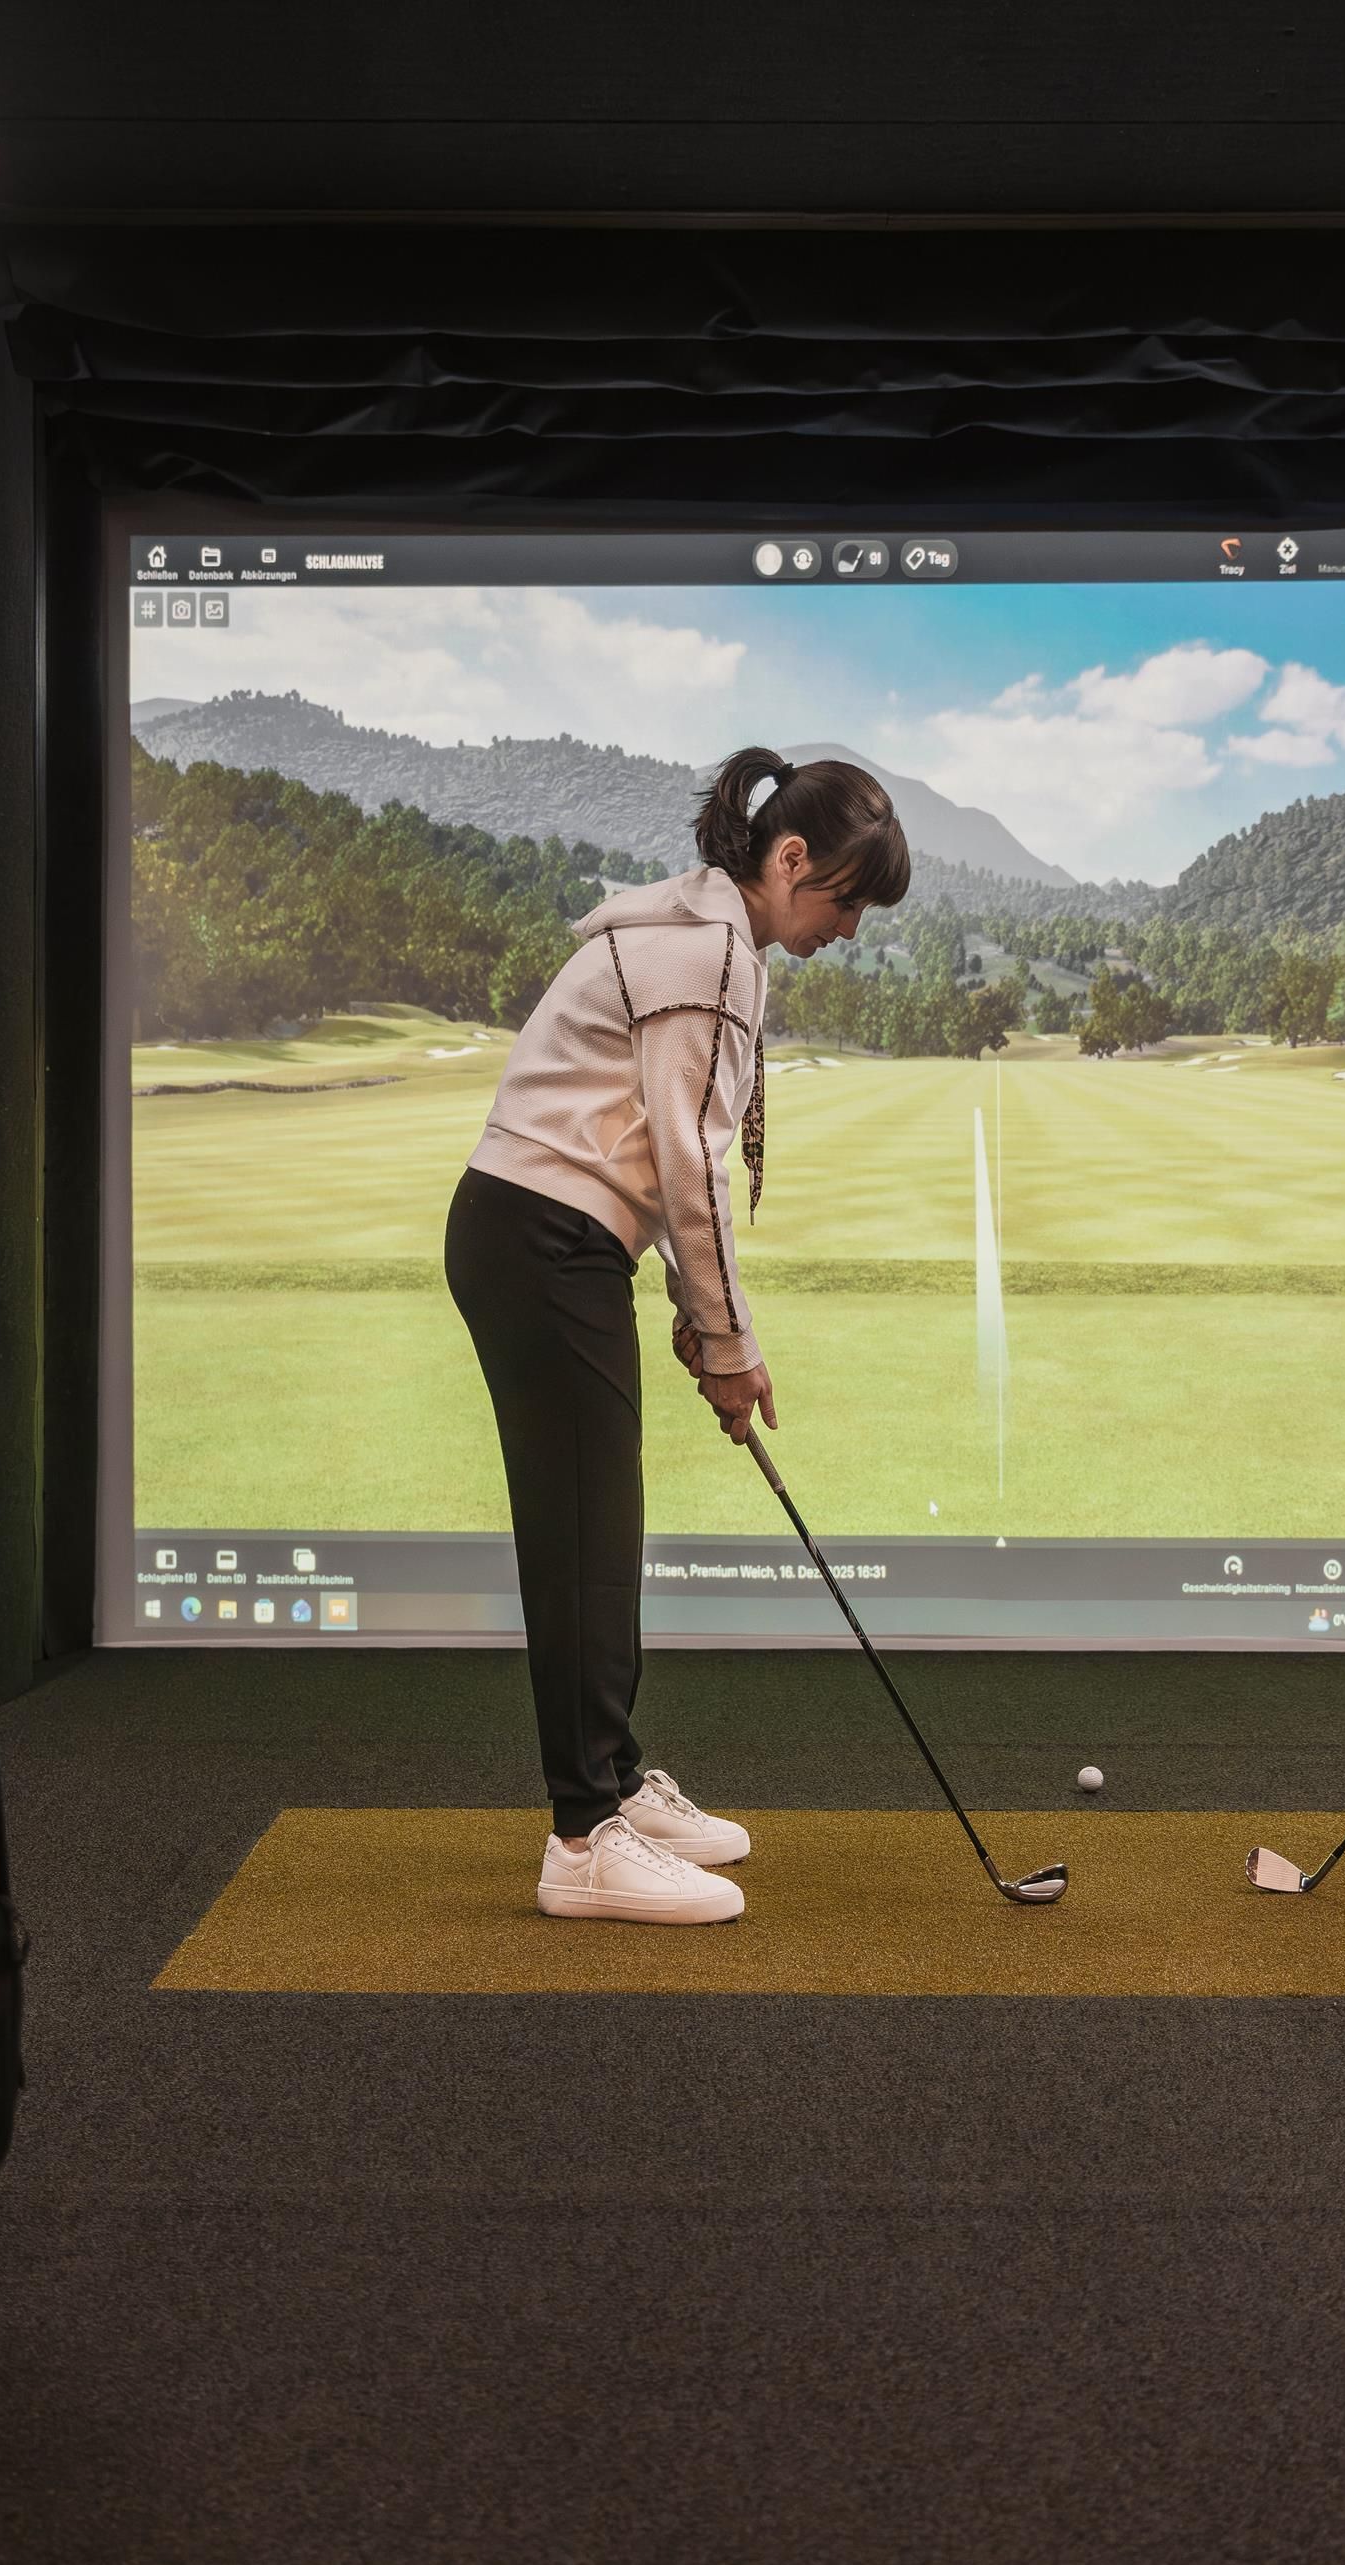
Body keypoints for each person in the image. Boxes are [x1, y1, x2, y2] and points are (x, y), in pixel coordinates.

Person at [447, 748, 911, 1924]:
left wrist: (686, 1312)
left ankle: (611, 1782)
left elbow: (644, 1139)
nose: (847, 930)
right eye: (843, 899)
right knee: (583, 1535)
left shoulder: (692, 923)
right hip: (542, 1238)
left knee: (602, 1520)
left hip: (551, 1235)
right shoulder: (710, 953)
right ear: (789, 858)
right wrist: (728, 1339)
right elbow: (692, 1157)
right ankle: (582, 1838)